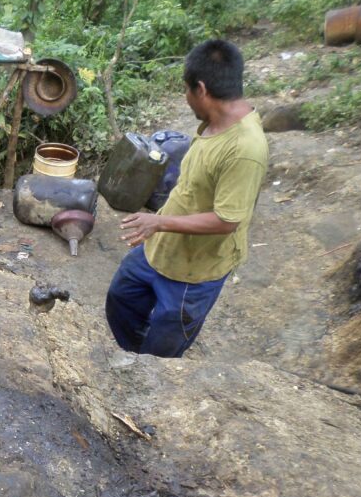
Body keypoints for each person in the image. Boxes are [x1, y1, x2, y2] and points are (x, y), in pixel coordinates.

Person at [105, 39, 268, 357]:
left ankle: (150, 376)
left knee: (164, 345)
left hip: (195, 271)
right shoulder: (212, 123)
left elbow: (226, 221)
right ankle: (135, 357)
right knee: (121, 298)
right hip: (162, 247)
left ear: (202, 89)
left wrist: (159, 220)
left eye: (186, 89)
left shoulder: (246, 149)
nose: (185, 97)